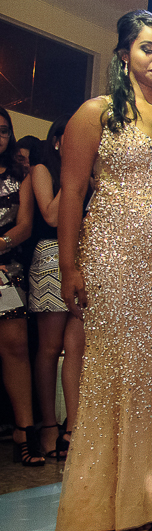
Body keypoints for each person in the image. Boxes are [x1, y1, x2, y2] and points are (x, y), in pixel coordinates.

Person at [55, 10, 152, 531]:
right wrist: (69, 266)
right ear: (124, 54)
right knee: (114, 368)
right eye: (148, 48)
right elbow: (72, 192)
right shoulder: (95, 113)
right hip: (113, 254)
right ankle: (107, 499)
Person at [0, 107, 41, 467]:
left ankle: (24, 431)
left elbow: (25, 226)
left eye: (3, 130)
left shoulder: (20, 175)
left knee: (15, 346)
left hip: (8, 269)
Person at [28, 117, 71, 460]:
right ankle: (48, 425)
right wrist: (72, 175)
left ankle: (74, 425)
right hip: (51, 256)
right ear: (57, 140)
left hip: (87, 257)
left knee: (78, 347)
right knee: (50, 346)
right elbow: (52, 216)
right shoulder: (43, 169)